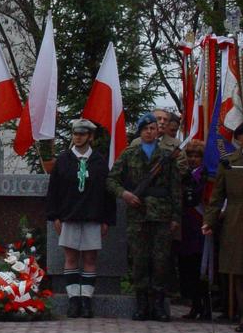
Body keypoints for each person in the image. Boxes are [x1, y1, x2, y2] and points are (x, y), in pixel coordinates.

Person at [107, 112, 181, 321]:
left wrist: (176, 217)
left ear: (158, 131)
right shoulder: (129, 154)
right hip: (137, 214)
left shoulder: (166, 155)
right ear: (140, 132)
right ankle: (141, 304)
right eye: (145, 129)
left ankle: (158, 305)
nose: (149, 132)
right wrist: (125, 194)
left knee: (160, 261)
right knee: (139, 260)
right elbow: (111, 180)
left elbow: (175, 188)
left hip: (162, 214)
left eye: (152, 128)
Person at [46, 118, 116, 318]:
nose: (78, 137)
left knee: (90, 258)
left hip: (93, 216)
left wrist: (106, 219)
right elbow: (54, 191)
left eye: (82, 134)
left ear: (90, 137)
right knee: (70, 258)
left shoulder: (99, 162)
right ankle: (73, 300)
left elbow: (108, 193)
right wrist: (55, 216)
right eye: (75, 134)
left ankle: (86, 300)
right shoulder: (63, 160)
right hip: (69, 216)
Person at [203, 118, 243, 332]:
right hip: (237, 220)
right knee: (240, 270)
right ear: (240, 138)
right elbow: (217, 196)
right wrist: (209, 220)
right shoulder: (228, 162)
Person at [179, 140, 210, 319]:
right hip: (186, 224)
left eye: (197, 156)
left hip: (200, 223)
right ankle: (195, 304)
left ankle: (205, 305)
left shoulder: (206, 176)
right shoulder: (185, 175)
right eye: (190, 156)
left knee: (201, 265)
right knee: (188, 266)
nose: (193, 159)